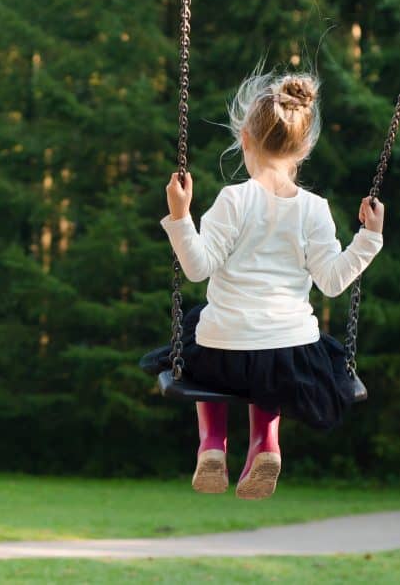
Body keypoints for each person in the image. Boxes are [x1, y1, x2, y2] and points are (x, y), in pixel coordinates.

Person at [159, 71, 384, 500]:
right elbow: (333, 282)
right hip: (290, 357)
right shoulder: (315, 209)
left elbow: (197, 268)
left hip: (223, 352)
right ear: (305, 147)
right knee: (272, 360)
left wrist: (180, 216)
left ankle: (211, 445)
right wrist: (369, 238)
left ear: (245, 138)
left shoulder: (233, 199)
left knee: (198, 333)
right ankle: (266, 442)